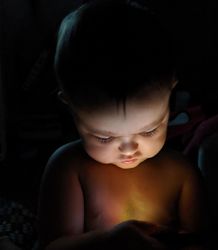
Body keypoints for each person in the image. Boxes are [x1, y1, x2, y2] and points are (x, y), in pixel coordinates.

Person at [36, 1, 207, 249]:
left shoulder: (182, 174)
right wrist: (107, 241)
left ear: (171, 94)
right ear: (71, 108)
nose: (128, 149)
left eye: (149, 130)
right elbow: (51, 246)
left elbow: (200, 242)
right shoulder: (70, 168)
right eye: (104, 138)